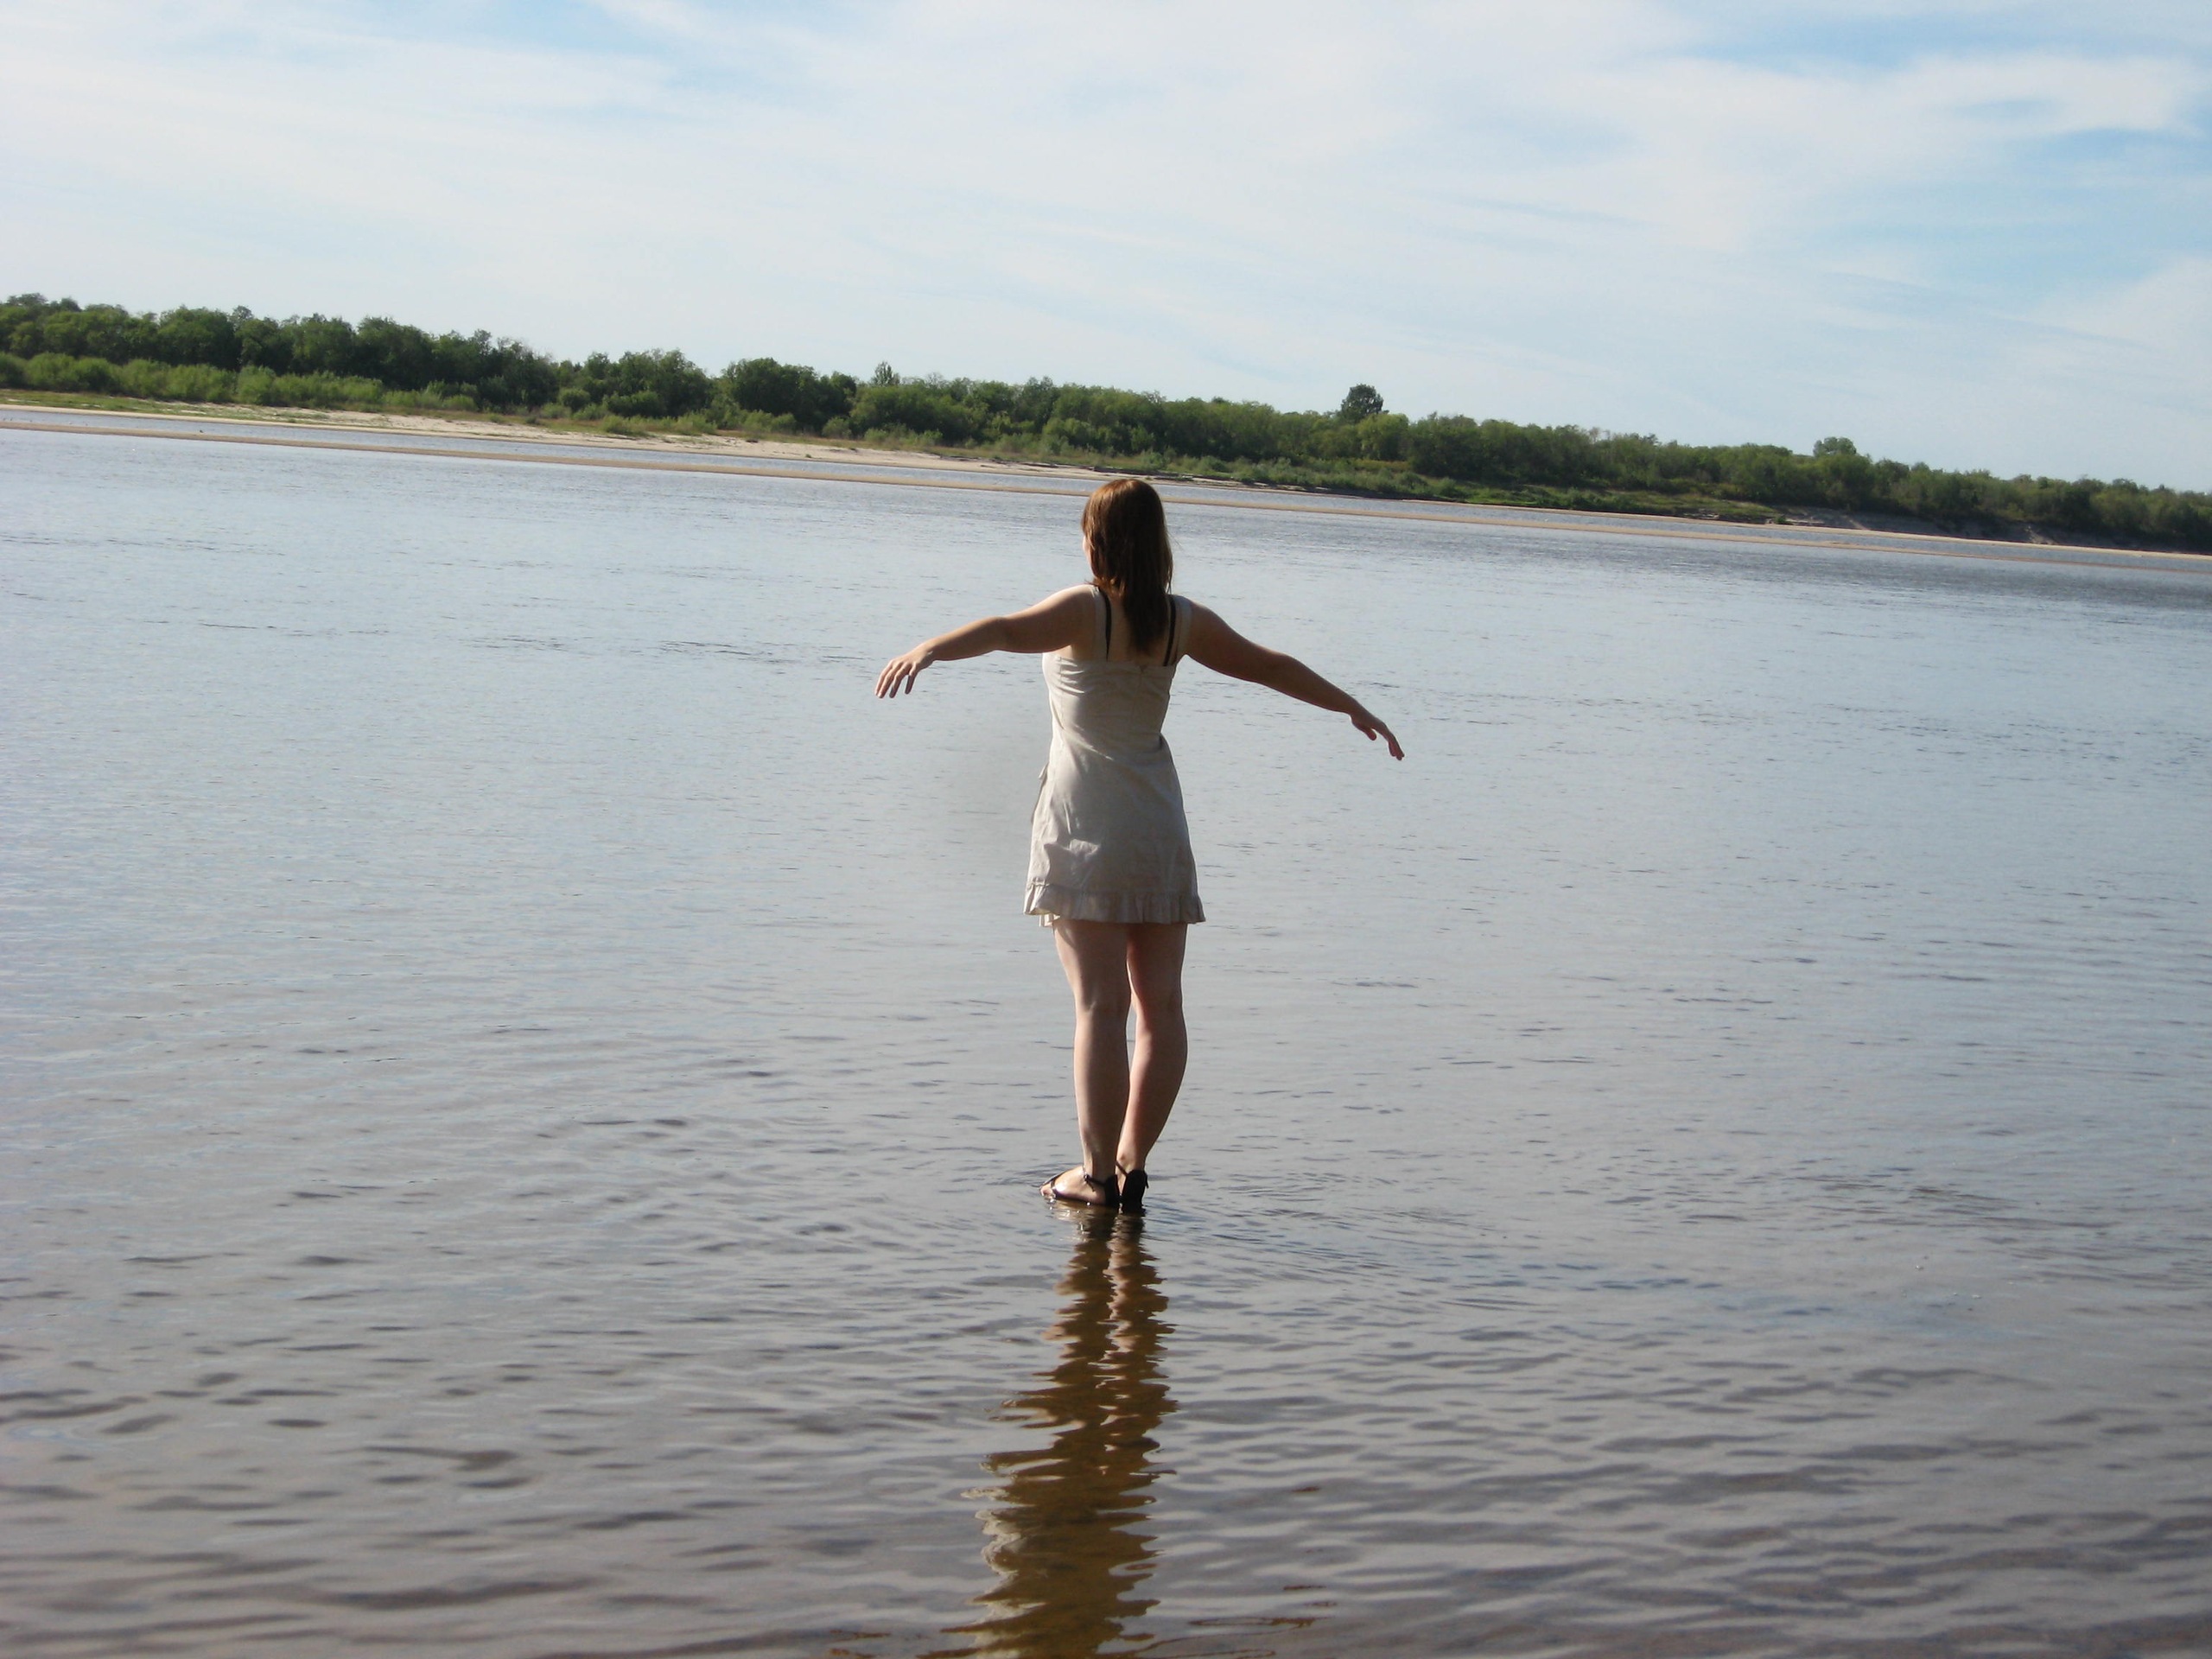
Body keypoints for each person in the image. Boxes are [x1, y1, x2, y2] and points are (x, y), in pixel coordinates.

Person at [874, 479, 1402, 1211]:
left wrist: (929, 648)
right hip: (1157, 826)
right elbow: (1270, 665)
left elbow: (1002, 630)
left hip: (1086, 825)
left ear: (1097, 542)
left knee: (1100, 1008)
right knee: (1162, 1011)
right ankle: (1132, 1167)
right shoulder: (1181, 621)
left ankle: (1094, 1177)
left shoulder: (1085, 609)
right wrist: (1350, 706)